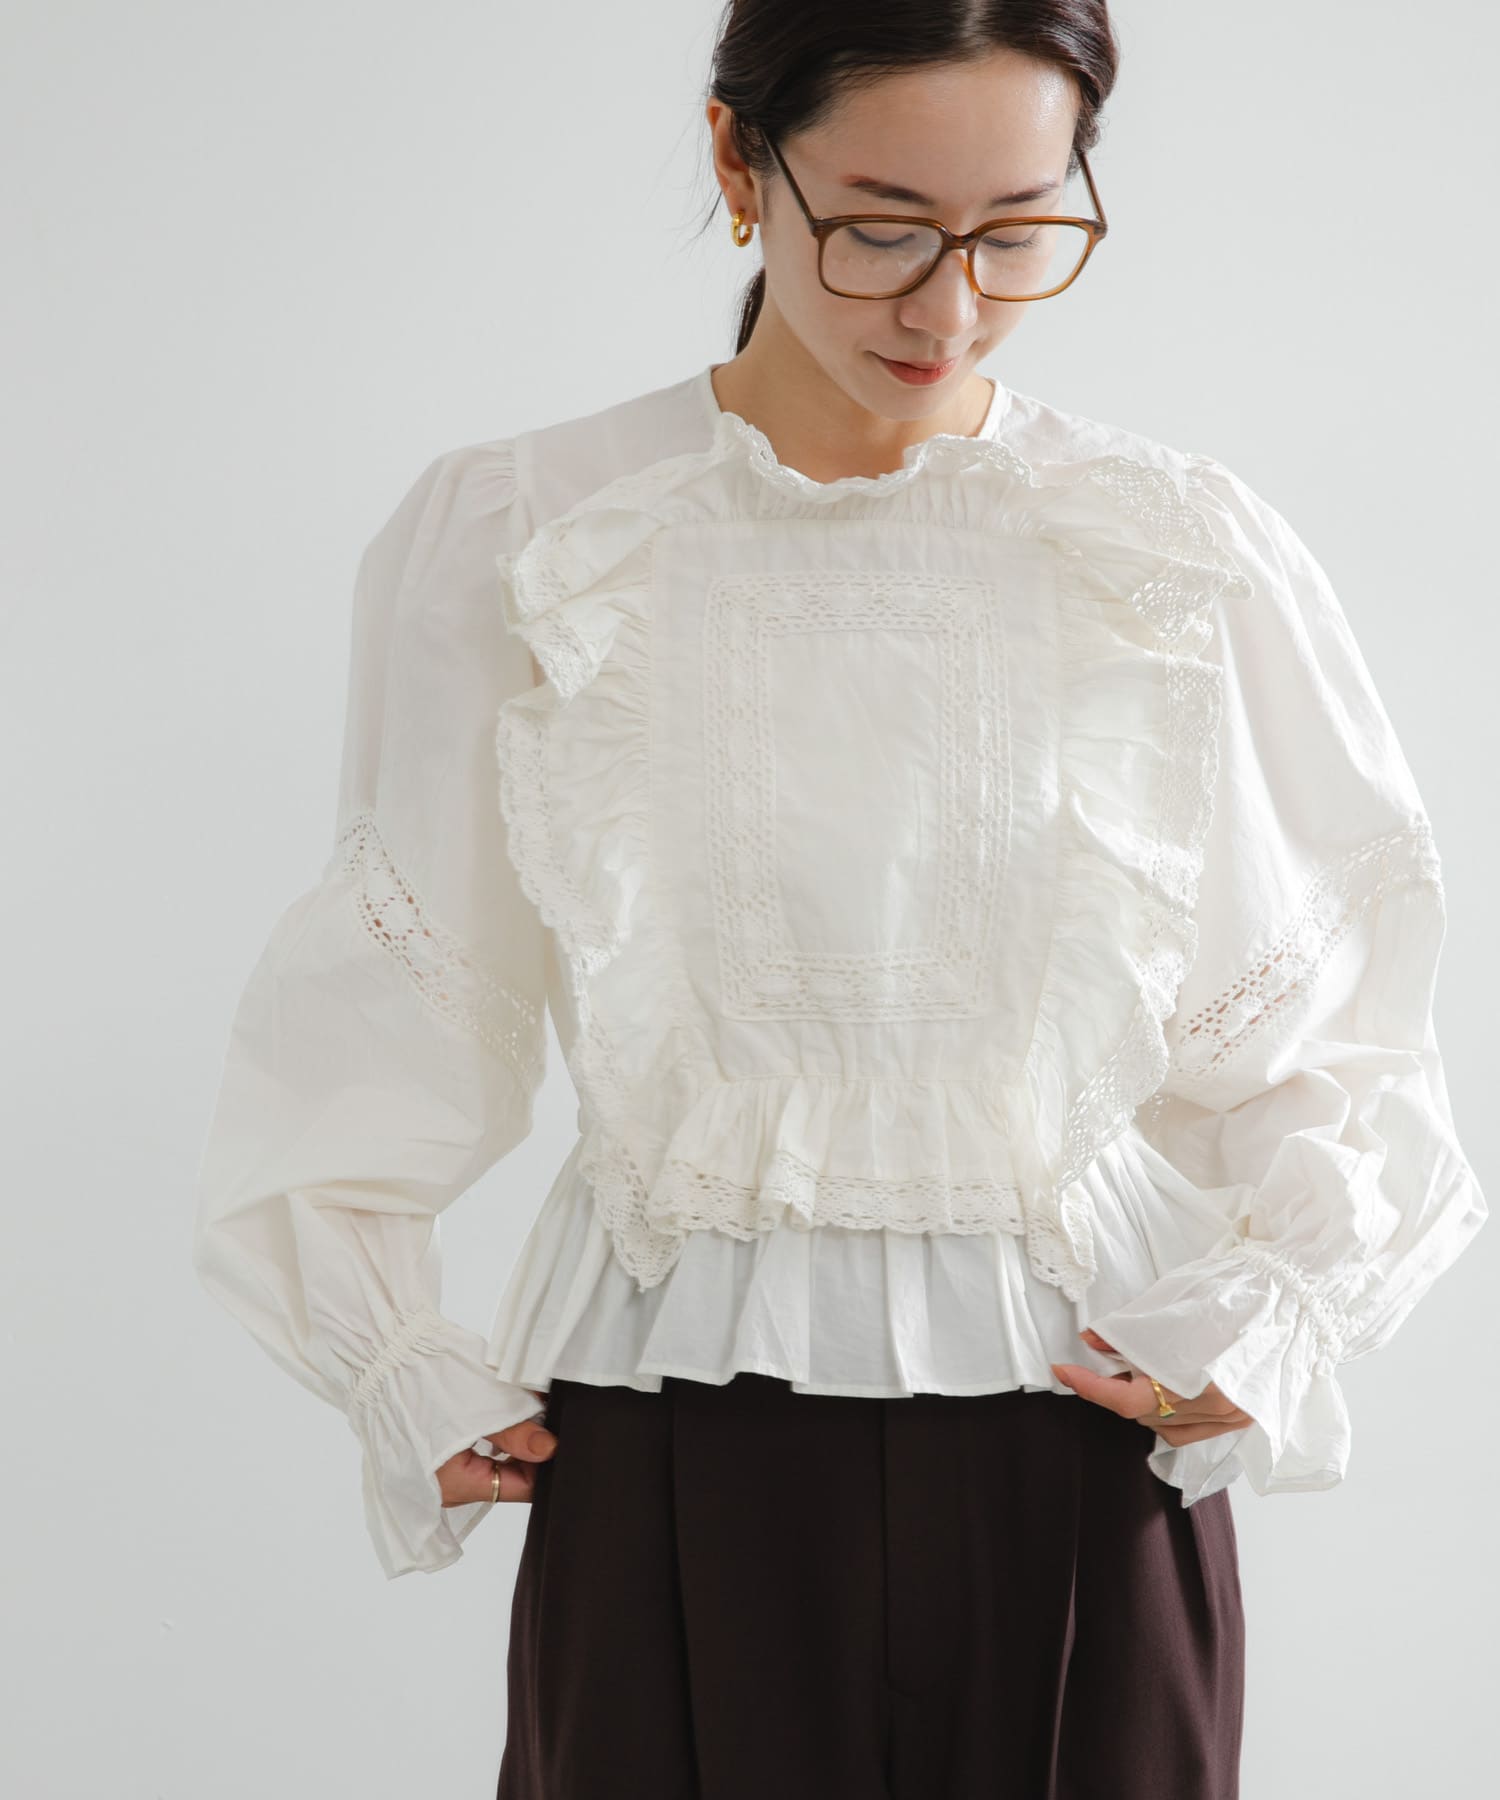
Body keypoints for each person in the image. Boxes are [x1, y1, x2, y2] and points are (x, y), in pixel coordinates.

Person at [191, 2, 1488, 1796]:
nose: (949, 307)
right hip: (673, 1442)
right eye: (882, 228)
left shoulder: (1166, 542)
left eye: (1019, 232)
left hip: (1090, 1439)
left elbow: (1327, 1025)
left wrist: (1281, 1314)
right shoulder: (533, 527)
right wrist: (388, 1351)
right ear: (741, 161)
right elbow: (398, 992)